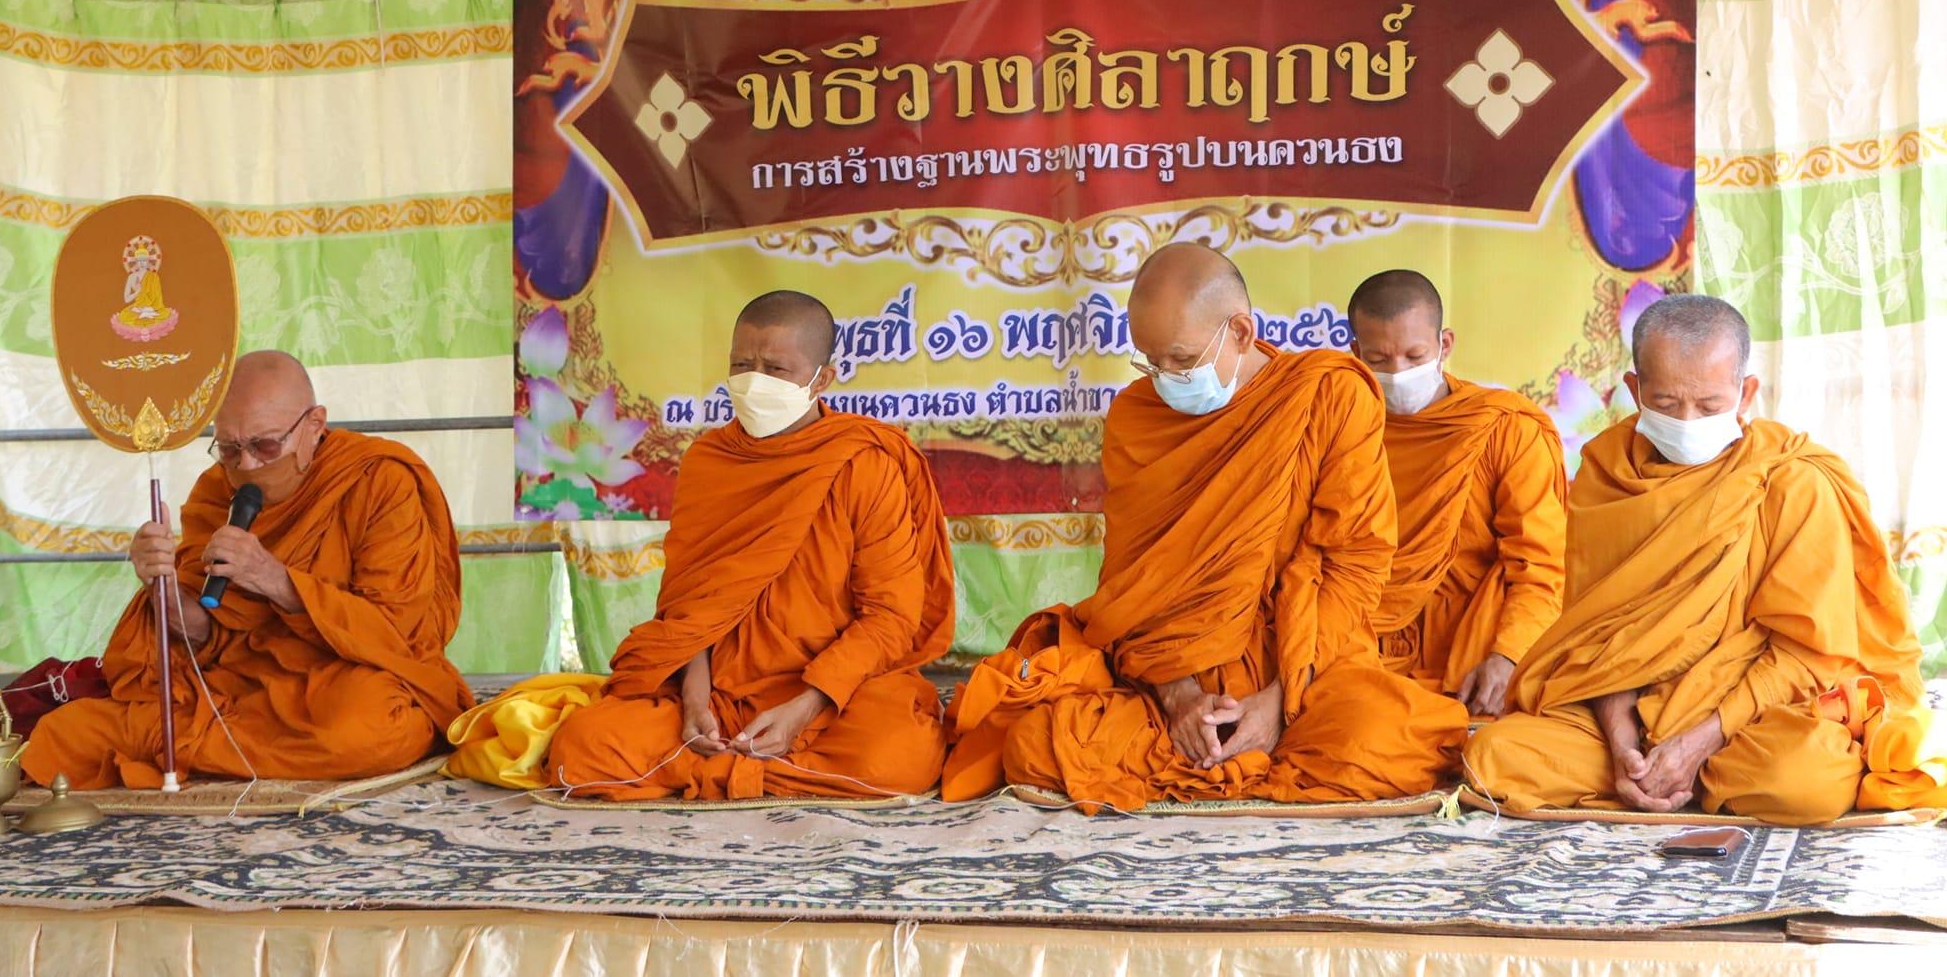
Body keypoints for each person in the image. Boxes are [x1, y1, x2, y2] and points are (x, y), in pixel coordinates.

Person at [942, 244, 1468, 811]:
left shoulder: (1329, 396)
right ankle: (1223, 745)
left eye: (1181, 359)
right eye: (1151, 361)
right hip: (1171, 672)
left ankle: (1258, 743)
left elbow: (1356, 563)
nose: (1166, 377)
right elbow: (1130, 584)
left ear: (1240, 332)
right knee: (1038, 745)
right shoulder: (1137, 416)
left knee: (1391, 740)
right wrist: (1179, 699)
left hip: (1300, 667)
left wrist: (1280, 700)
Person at [1464, 295, 1927, 825]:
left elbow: (1806, 654)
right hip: (1633, 711)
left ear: (1745, 393)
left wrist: (1697, 741)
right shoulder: (1608, 474)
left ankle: (1686, 771)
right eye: (1665, 402)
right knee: (1492, 758)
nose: (1687, 421)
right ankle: (1658, 776)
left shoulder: (1794, 481)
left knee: (1807, 782)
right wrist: (1622, 746)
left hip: (1748, 715)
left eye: (1709, 406)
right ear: (1635, 391)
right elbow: (1597, 641)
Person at [542, 290, 954, 800]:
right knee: (581, 749)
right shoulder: (709, 461)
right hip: (721, 691)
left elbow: (890, 617)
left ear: (821, 379)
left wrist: (807, 705)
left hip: (832, 693)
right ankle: (765, 767)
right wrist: (696, 700)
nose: (754, 380)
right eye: (741, 365)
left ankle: (712, 770)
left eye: (775, 369)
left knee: (902, 756)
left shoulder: (863, 463)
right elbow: (689, 606)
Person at [25, 351, 472, 788]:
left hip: (343, 678)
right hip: (239, 684)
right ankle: (195, 741)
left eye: (265, 445)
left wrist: (274, 579)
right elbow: (204, 634)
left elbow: (396, 634)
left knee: (372, 729)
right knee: (65, 734)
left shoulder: (378, 481)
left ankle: (173, 741)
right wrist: (163, 589)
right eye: (229, 448)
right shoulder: (216, 491)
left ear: (314, 425)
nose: (248, 465)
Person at [1346, 270, 1565, 718]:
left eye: (1414, 356)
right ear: (1355, 354)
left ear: (1444, 345)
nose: (1398, 373)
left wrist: (1508, 657)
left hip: (1471, 655)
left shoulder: (1504, 428)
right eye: (1379, 359)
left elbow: (1539, 564)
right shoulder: (1342, 431)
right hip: (1361, 649)